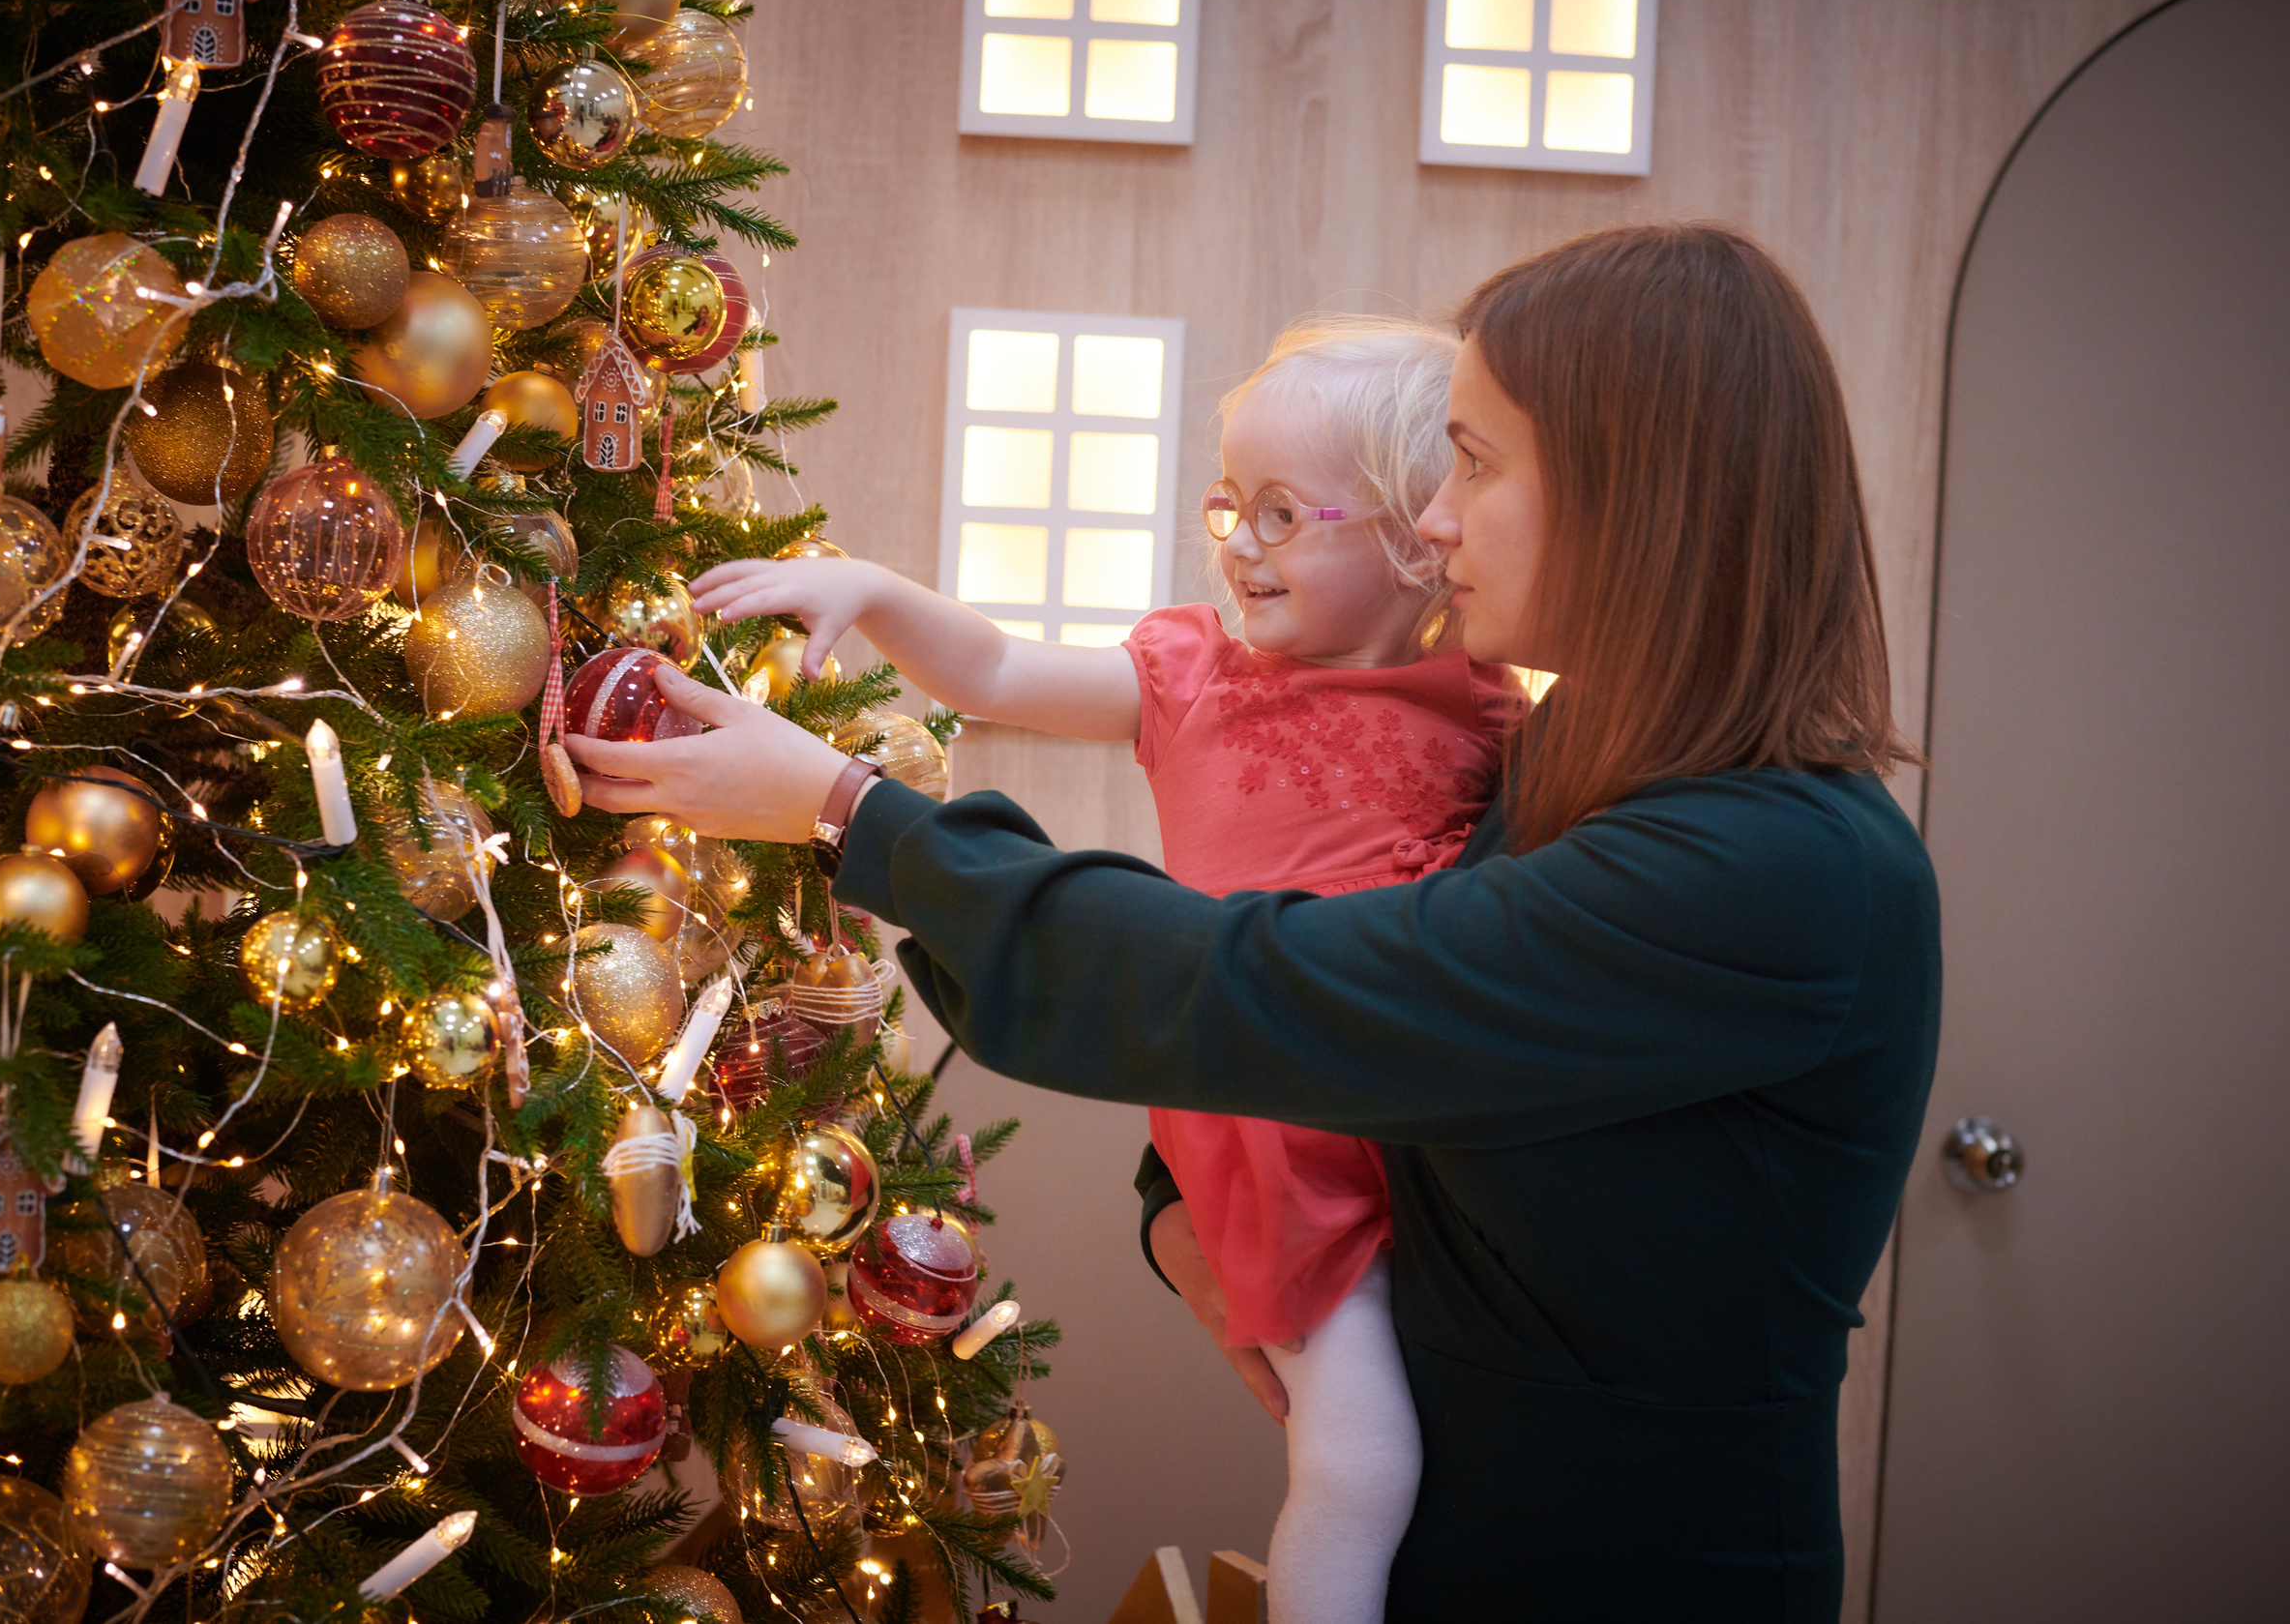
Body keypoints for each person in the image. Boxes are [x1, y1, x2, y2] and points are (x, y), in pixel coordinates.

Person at [568, 222, 1941, 1620]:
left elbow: (1285, 990)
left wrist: (855, 815)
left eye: (1474, 463)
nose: (1442, 518)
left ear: (1633, 492)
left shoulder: (1774, 870)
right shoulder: (1578, 765)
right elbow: (1354, 1058)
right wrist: (1183, 1222)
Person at [686, 315, 1522, 1624]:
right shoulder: (1191, 674)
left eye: (1284, 513)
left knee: (1444, 1437)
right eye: (1227, 505)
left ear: (1422, 534)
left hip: (1420, 1125)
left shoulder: (1485, 701)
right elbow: (1003, 670)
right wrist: (871, 591)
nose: (1240, 541)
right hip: (1274, 1123)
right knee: (1363, 1462)